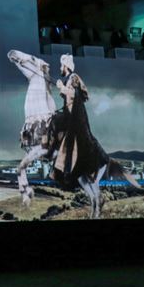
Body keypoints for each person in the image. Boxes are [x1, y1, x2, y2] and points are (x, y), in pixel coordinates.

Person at [50, 54, 107, 190]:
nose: (60, 68)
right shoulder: (69, 79)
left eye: (61, 65)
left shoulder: (73, 77)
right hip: (70, 116)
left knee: (72, 144)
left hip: (76, 119)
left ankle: (68, 172)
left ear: (66, 66)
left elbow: (74, 94)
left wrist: (61, 87)